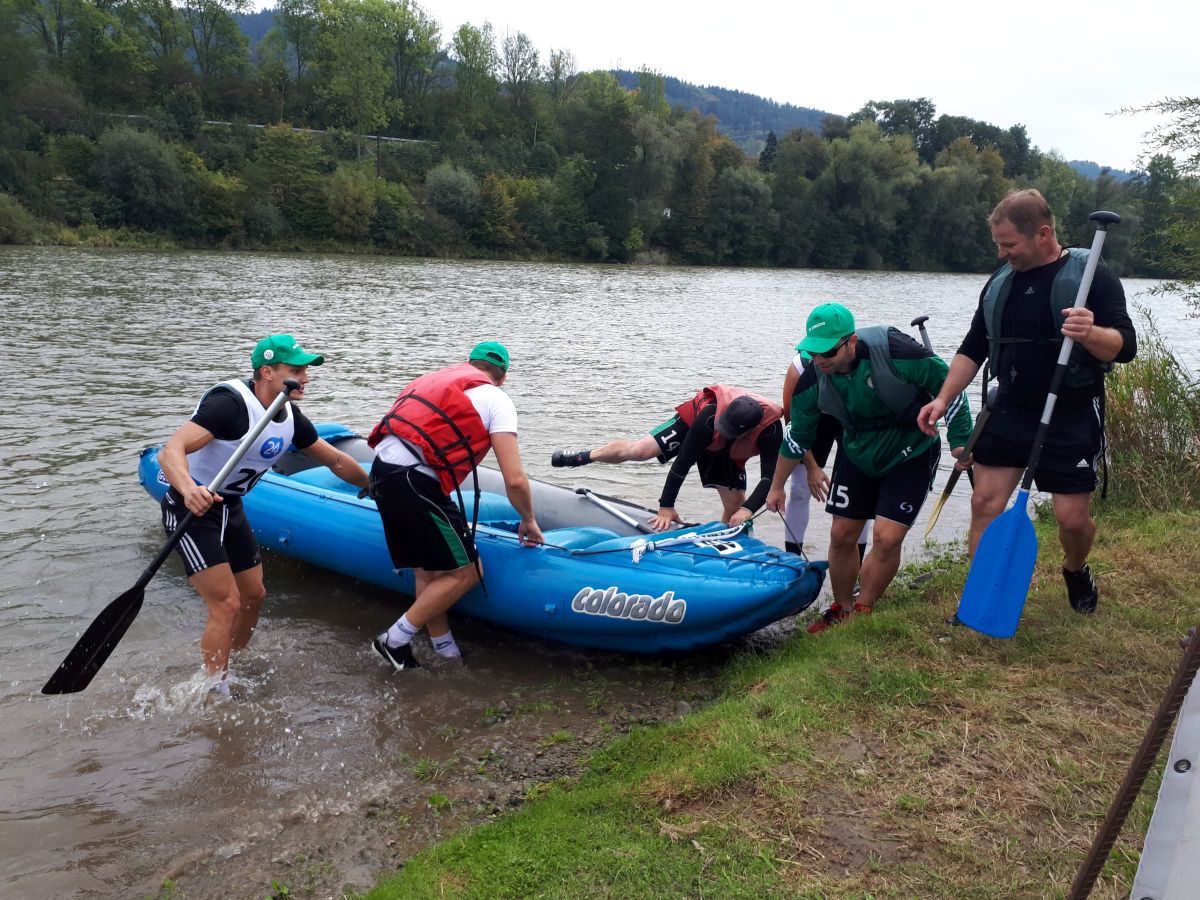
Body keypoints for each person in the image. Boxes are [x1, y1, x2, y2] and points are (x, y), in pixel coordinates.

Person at [918, 188, 1136, 616]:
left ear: (1043, 233)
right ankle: (979, 601)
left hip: (1070, 412)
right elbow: (973, 346)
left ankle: (1075, 568)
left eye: (1009, 244)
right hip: (1010, 409)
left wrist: (1090, 333)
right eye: (998, 244)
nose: (1002, 254)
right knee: (984, 503)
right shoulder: (1000, 283)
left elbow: (1125, 346)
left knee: (1072, 519)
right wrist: (944, 398)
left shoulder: (1091, 275)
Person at [158, 334, 369, 695]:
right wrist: (189, 489)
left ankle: (231, 662)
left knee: (254, 596)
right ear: (267, 372)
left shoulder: (290, 417)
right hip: (192, 510)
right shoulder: (230, 405)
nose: (305, 377)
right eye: (296, 370)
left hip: (232, 508)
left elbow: (334, 459)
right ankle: (214, 688)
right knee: (226, 603)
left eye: (306, 370)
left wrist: (374, 486)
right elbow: (170, 450)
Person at [767, 303, 971, 633]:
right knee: (841, 534)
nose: (820, 361)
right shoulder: (812, 380)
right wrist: (776, 487)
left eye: (828, 353)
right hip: (858, 451)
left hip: (910, 450)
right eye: (813, 352)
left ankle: (864, 609)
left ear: (850, 341)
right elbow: (796, 438)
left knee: (887, 538)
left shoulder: (896, 350)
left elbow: (951, 388)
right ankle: (842, 607)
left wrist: (961, 440)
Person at [367, 341, 544, 670]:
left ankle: (446, 652)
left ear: (468, 365)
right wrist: (528, 520)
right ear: (502, 378)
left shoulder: (435, 379)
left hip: (381, 474)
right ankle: (394, 639)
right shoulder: (497, 399)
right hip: (415, 482)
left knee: (428, 567)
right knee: (468, 571)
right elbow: (515, 480)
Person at [551, 385, 784, 532]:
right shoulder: (709, 418)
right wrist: (666, 506)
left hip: (732, 449)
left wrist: (748, 510)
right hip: (693, 425)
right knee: (639, 451)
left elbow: (769, 479)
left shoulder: (771, 431)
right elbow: (683, 462)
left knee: (736, 505)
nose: (722, 433)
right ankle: (585, 456)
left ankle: (722, 540)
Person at [781, 350, 871, 560]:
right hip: (816, 420)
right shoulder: (800, 367)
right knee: (800, 489)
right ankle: (794, 562)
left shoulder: (866, 365)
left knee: (858, 494)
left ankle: (855, 568)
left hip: (852, 420)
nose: (823, 362)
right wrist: (812, 467)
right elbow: (791, 424)